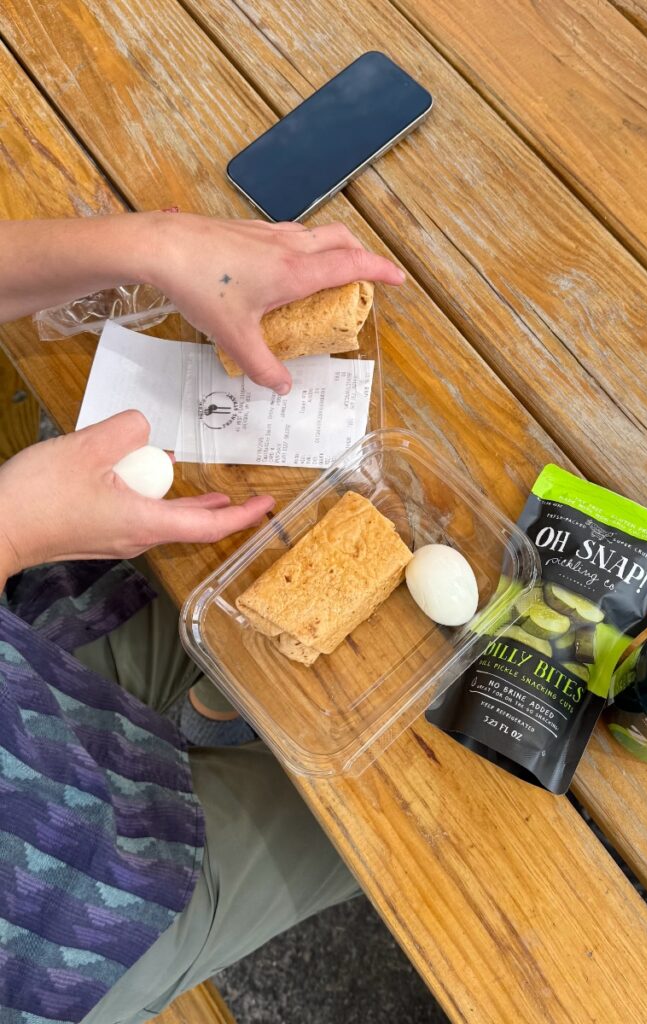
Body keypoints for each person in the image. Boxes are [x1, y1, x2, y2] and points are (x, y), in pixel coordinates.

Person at [0, 212, 404, 1023]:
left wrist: (155, 246)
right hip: (59, 905)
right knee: (404, 803)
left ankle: (197, 726)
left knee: (237, 619)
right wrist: (14, 526)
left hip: (35, 668)